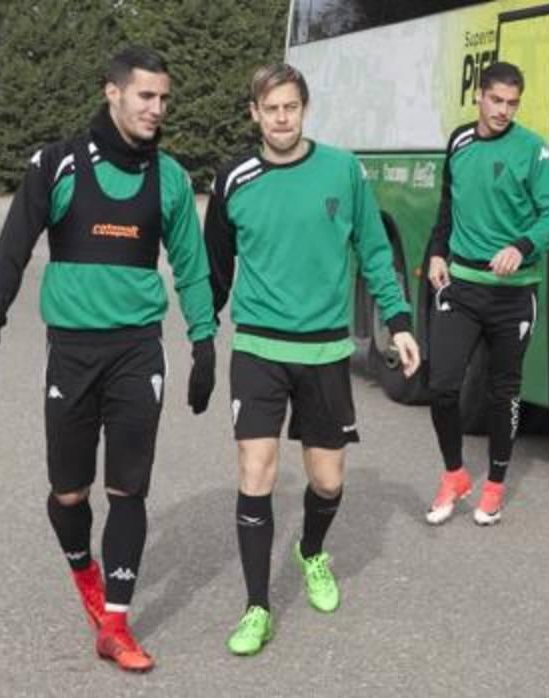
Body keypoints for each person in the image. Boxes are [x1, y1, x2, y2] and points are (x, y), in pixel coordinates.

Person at [0, 46, 217, 673]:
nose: (157, 109)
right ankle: (85, 573)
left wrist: (205, 344)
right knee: (69, 493)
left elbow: (192, 268)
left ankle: (117, 624)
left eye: (163, 98)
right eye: (145, 96)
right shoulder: (59, 164)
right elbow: (12, 250)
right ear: (113, 93)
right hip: (71, 353)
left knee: (128, 490)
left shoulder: (171, 179)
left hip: (137, 351)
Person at [204, 63, 420, 656]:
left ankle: (311, 551)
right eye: (270, 108)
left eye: (291, 107)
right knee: (257, 470)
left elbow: (375, 250)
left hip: (325, 352)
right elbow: (214, 269)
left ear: (304, 109)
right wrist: (202, 341)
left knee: (327, 479)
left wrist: (398, 321)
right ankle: (256, 607)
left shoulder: (342, 170)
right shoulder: (233, 180)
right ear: (253, 113)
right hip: (258, 348)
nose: (281, 118)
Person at [424, 62, 549, 527]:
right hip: (461, 286)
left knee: (501, 392)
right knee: (442, 386)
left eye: (512, 103)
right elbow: (448, 204)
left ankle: (495, 486)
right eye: (497, 100)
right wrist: (437, 252)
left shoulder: (532, 150)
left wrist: (521, 246)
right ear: (479, 98)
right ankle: (454, 474)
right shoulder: (459, 142)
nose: (504, 110)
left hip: (513, 294)